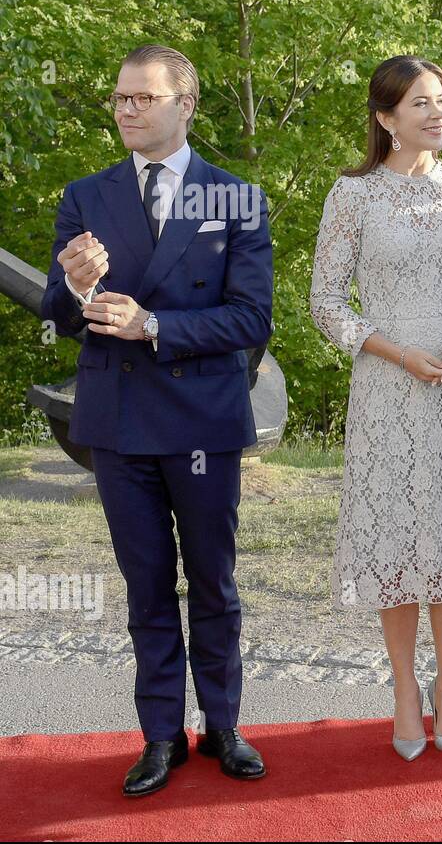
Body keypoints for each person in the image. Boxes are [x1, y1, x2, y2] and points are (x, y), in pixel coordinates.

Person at [39, 44, 274, 796]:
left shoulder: (234, 197)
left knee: (212, 582)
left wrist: (154, 325)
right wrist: (75, 290)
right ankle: (159, 736)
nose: (127, 110)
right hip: (116, 423)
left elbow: (250, 318)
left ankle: (225, 726)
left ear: (186, 105)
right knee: (145, 586)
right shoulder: (86, 194)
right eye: (119, 98)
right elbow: (57, 314)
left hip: (203, 420)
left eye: (143, 97)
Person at [309, 55, 442, 761]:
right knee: (398, 540)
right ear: (386, 117)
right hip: (387, 385)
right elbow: (326, 304)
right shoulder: (354, 196)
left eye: (441, 101)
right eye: (420, 104)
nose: (436, 114)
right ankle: (404, 691)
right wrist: (396, 352)